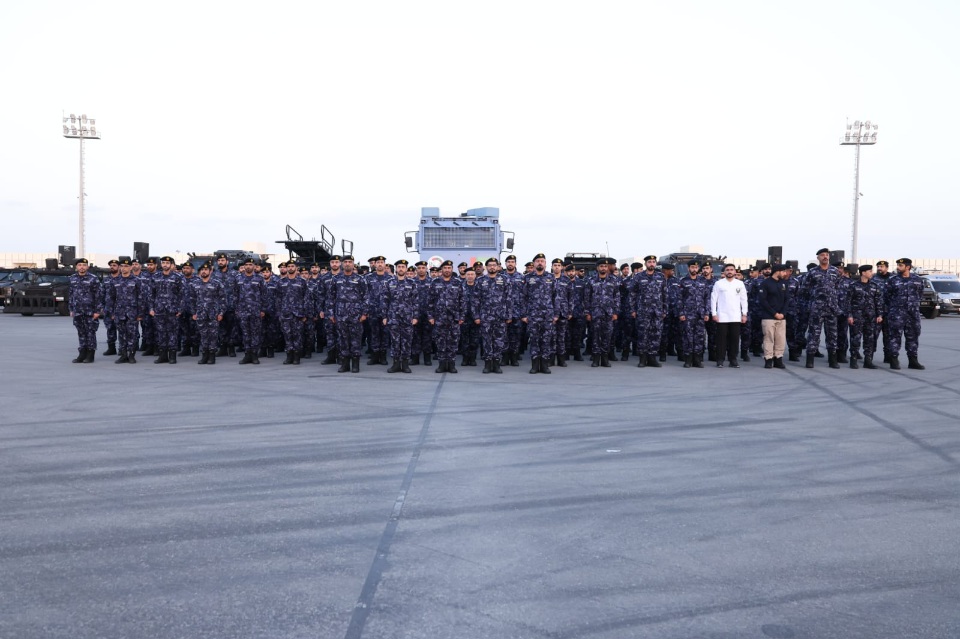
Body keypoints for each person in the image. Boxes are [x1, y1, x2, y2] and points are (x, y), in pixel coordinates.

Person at [803, 248, 842, 369]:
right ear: (818, 258)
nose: (825, 257)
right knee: (813, 334)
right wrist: (812, 302)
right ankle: (810, 359)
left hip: (832, 308)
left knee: (832, 335)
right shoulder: (812, 272)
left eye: (827, 255)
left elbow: (837, 287)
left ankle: (832, 360)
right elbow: (805, 289)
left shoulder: (835, 271)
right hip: (817, 308)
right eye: (822, 255)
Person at [328, 255, 368, 373]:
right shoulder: (336, 279)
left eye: (350, 262)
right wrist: (331, 313)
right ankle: (345, 364)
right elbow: (331, 297)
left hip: (356, 315)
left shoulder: (360, 279)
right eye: (345, 262)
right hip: (340, 315)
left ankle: (355, 364)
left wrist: (364, 313)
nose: (347, 264)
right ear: (342, 264)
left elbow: (366, 297)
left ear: (353, 264)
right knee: (342, 339)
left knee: (355, 340)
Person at [521, 253, 559, 374]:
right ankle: (534, 365)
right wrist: (524, 314)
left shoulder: (551, 277)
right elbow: (523, 297)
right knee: (534, 340)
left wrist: (556, 314)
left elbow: (556, 297)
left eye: (542, 261)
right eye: (538, 261)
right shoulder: (528, 278)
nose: (540, 263)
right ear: (534, 264)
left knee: (546, 340)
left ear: (545, 263)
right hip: (532, 315)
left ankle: (544, 366)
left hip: (547, 315)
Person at [885, 258, 925, 370]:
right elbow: (886, 296)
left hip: (913, 314)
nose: (898, 267)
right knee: (894, 337)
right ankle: (893, 360)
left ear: (908, 267)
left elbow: (920, 294)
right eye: (898, 265)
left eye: (901, 265)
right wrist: (895, 307)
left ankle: (913, 361)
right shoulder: (892, 280)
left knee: (913, 336)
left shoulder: (917, 280)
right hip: (897, 313)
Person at [106, 257, 147, 364]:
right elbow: (111, 298)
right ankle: (123, 355)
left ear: (131, 267)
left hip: (132, 312)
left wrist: (140, 313)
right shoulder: (115, 281)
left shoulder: (137, 280)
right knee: (122, 334)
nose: (124, 268)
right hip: (119, 312)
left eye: (126, 266)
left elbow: (141, 298)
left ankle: (131, 355)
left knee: (132, 334)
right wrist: (112, 312)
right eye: (122, 266)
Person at [628, 255, 667, 368]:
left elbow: (665, 294)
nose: (651, 264)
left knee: (656, 335)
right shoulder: (639, 276)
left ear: (656, 264)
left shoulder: (661, 276)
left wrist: (665, 310)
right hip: (643, 311)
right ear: (645, 264)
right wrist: (633, 309)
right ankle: (642, 359)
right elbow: (632, 294)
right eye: (649, 262)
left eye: (653, 262)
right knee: (643, 335)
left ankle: (652, 358)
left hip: (657, 311)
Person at [476, 257, 512, 374]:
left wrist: (509, 315)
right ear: (486, 267)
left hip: (500, 316)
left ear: (497, 267)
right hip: (485, 316)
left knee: (499, 341)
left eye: (494, 265)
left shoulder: (505, 279)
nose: (492, 267)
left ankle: (496, 364)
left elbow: (509, 298)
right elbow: (476, 300)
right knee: (486, 341)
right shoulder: (480, 280)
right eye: (490, 265)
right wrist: (476, 316)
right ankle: (487, 364)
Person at [583, 257, 620, 367]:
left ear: (607, 268)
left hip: (608, 313)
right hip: (595, 313)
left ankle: (605, 359)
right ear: (597, 268)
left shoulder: (613, 281)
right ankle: (595, 359)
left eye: (605, 266)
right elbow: (586, 298)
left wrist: (615, 312)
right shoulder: (591, 281)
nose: (603, 268)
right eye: (601, 266)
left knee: (607, 336)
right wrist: (587, 312)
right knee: (595, 336)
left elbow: (617, 297)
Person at [845, 264, 883, 369]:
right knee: (855, 339)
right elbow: (848, 302)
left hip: (870, 317)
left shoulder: (874, 286)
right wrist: (849, 315)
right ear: (863, 273)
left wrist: (879, 314)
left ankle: (868, 360)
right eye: (870, 271)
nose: (872, 273)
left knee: (870, 339)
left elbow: (878, 301)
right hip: (857, 316)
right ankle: (853, 359)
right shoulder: (853, 285)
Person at [429, 260, 464, 373]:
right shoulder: (435, 282)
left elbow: (462, 301)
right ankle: (442, 365)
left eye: (449, 268)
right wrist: (430, 317)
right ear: (442, 270)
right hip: (439, 318)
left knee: (453, 342)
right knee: (440, 342)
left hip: (454, 318)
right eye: (445, 268)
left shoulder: (457, 283)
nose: (447, 270)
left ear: (452, 269)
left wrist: (462, 316)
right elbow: (430, 301)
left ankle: (452, 364)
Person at [149, 256, 186, 364]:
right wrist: (151, 308)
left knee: (172, 333)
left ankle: (172, 356)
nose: (165, 265)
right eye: (163, 263)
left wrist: (180, 309)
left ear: (171, 265)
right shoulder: (156, 276)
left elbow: (183, 294)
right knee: (161, 333)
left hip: (173, 310)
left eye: (167, 263)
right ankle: (163, 356)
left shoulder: (178, 277)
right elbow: (151, 294)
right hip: (159, 309)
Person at [383, 259, 418, 373]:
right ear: (396, 269)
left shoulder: (412, 283)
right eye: (399, 267)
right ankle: (396, 364)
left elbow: (416, 301)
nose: (401, 269)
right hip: (393, 317)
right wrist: (384, 316)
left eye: (403, 267)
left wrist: (415, 317)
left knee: (407, 341)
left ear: (406, 269)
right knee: (395, 341)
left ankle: (405, 364)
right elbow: (385, 300)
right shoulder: (389, 282)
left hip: (408, 317)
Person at [711, 264, 748, 368]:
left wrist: (744, 314)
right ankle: (720, 359)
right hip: (722, 316)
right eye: (727, 270)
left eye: (731, 269)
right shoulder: (718, 283)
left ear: (735, 271)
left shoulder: (740, 284)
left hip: (735, 316)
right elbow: (713, 299)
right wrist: (714, 313)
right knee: (721, 340)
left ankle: (733, 360)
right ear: (724, 272)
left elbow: (744, 300)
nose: (729, 271)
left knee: (734, 339)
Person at [188, 261, 226, 364]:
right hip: (200, 314)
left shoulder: (217, 283)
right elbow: (192, 299)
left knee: (213, 335)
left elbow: (223, 299)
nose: (203, 272)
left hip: (213, 313)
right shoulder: (195, 284)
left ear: (210, 271)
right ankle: (204, 355)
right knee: (203, 335)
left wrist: (221, 313)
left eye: (206, 270)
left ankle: (212, 356)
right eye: (202, 270)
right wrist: (193, 313)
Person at [68, 258, 102, 363]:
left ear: (87, 267)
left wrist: (97, 311)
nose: (82, 267)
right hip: (78, 310)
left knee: (90, 333)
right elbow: (71, 294)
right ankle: (82, 354)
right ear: (76, 267)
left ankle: (90, 354)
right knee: (81, 332)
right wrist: (71, 309)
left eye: (84, 265)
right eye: (79, 265)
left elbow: (98, 295)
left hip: (90, 311)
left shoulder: (93, 278)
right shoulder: (72, 278)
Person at [757, 264, 791, 369]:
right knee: (769, 338)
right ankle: (768, 359)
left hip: (781, 317)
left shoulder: (784, 283)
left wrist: (783, 313)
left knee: (780, 339)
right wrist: (774, 313)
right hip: (768, 316)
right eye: (783, 271)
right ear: (777, 271)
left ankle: (778, 359)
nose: (785, 273)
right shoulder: (765, 283)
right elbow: (763, 300)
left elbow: (787, 299)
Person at [677, 260, 709, 368]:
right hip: (687, 314)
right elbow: (679, 298)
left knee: (699, 337)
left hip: (700, 314)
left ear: (698, 268)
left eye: (696, 267)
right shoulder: (683, 281)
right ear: (688, 268)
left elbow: (707, 298)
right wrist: (681, 313)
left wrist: (706, 312)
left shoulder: (703, 281)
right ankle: (688, 360)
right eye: (692, 267)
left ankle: (697, 360)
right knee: (687, 337)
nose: (694, 269)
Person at [235, 257, 266, 365]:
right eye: (246, 265)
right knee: (245, 334)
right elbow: (236, 294)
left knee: (255, 333)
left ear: (254, 266)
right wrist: (237, 309)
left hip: (255, 310)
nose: (248, 266)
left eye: (250, 265)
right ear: (244, 266)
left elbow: (264, 295)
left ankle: (254, 355)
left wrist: (263, 309)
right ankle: (247, 355)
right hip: (243, 310)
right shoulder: (238, 278)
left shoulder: (259, 278)